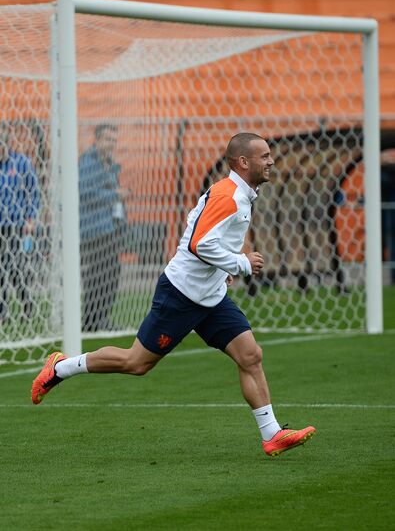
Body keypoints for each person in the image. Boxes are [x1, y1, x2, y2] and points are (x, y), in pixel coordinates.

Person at [32, 132, 316, 457]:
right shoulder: (229, 196)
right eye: (264, 156)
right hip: (181, 295)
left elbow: (201, 232)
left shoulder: (238, 195)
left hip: (210, 296)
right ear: (243, 161)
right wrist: (239, 263)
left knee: (250, 355)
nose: (271, 161)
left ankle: (272, 434)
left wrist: (221, 271)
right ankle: (60, 368)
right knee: (136, 363)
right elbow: (199, 243)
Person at [79, 123, 129, 332]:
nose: (111, 144)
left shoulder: (109, 163)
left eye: (114, 140)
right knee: (99, 274)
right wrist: (115, 195)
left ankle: (98, 319)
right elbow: (84, 192)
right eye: (108, 139)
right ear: (97, 140)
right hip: (93, 228)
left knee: (108, 272)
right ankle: (92, 321)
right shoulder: (88, 163)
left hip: (108, 226)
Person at [0, 122, 40, 321]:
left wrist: (30, 219)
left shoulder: (21, 163)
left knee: (15, 268)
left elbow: (33, 193)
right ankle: (3, 312)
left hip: (14, 226)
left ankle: (27, 307)